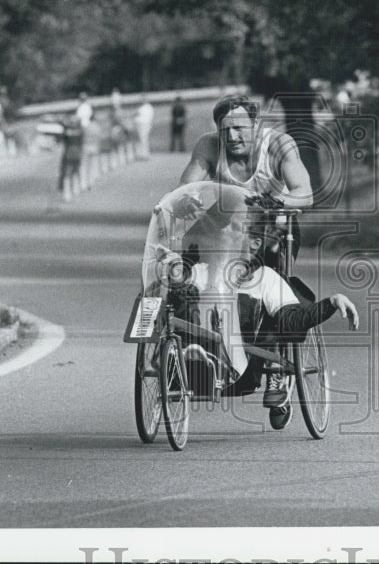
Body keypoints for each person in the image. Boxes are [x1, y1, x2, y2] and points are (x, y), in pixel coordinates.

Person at [161, 192, 358, 429]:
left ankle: (211, 359)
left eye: (234, 228)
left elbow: (292, 321)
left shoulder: (266, 279)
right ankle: (186, 359)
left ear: (254, 244)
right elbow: (173, 306)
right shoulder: (201, 271)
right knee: (183, 298)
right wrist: (171, 270)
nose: (223, 232)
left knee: (231, 305)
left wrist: (331, 303)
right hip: (191, 364)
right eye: (222, 228)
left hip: (241, 369)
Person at [179, 94, 314, 208]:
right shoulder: (208, 144)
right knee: (190, 238)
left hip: (275, 224)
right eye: (224, 130)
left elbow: (305, 193)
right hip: (228, 229)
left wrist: (270, 203)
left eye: (238, 128)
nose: (232, 137)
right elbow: (185, 187)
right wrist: (189, 200)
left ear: (255, 124)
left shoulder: (279, 144)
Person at [58, 115, 84, 203]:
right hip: (77, 153)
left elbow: (62, 134)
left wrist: (63, 123)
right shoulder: (80, 131)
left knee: (67, 174)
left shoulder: (67, 132)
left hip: (68, 153)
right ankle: (76, 190)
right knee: (76, 172)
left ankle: (67, 193)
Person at [134, 96, 155, 160]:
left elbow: (137, 116)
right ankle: (145, 154)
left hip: (142, 125)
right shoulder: (150, 108)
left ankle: (144, 154)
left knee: (143, 140)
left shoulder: (142, 108)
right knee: (145, 140)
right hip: (147, 125)